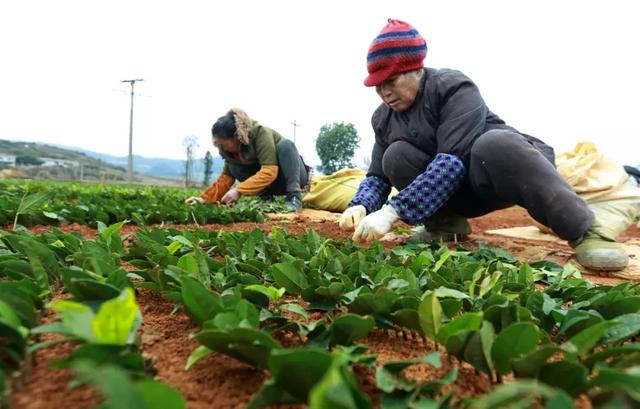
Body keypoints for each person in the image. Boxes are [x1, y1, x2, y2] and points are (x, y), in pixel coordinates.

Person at [339, 19, 629, 271]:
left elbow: (451, 163)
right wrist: (361, 205)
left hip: (491, 178)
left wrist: (393, 211)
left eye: (391, 80)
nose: (384, 92)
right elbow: (378, 174)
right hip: (449, 197)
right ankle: (446, 226)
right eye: (377, 85)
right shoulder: (384, 118)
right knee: (395, 155)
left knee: (494, 144)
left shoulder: (452, 87)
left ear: (416, 69)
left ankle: (586, 231)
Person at [185, 108, 310, 211]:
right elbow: (226, 177)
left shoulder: (261, 133)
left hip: (292, 176)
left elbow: (269, 171)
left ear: (236, 137)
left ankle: (294, 197)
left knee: (286, 145)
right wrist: (204, 199)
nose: (223, 148)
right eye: (220, 145)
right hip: (272, 185)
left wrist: (239, 190)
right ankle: (266, 198)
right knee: (234, 167)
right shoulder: (230, 151)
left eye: (225, 144)